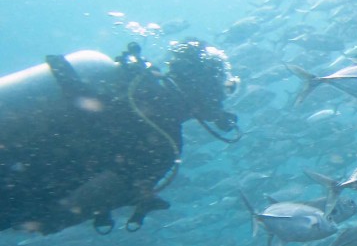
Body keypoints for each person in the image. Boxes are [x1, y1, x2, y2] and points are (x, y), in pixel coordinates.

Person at [0, 40, 239, 234]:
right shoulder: (165, 142)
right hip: (15, 186)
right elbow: (63, 214)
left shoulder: (115, 73)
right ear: (205, 90)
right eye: (219, 89)